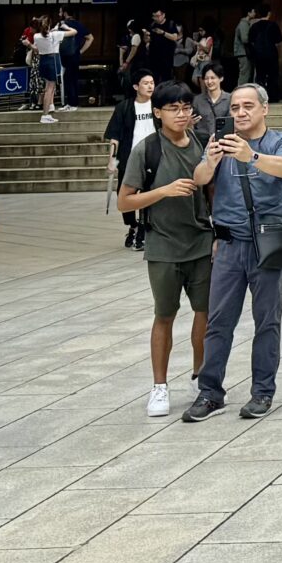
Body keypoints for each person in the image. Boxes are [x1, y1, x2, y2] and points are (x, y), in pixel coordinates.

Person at [186, 85, 282, 421]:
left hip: (270, 239)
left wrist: (250, 155)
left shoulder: (281, 141)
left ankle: (262, 392)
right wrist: (211, 160)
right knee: (218, 321)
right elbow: (198, 178)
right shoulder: (220, 142)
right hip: (229, 243)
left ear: (265, 109)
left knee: (267, 320)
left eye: (248, 106)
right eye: (235, 107)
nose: (240, 113)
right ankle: (210, 393)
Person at [116, 82, 214, 419]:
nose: (182, 113)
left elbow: (210, 190)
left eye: (186, 107)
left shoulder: (201, 143)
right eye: (173, 108)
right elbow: (124, 201)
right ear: (157, 112)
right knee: (165, 315)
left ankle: (201, 377)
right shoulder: (147, 150)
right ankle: (159, 387)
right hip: (163, 245)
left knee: (205, 313)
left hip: (201, 241)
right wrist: (164, 191)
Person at [106, 69, 160, 250]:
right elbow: (115, 136)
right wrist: (112, 159)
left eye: (152, 82)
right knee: (126, 195)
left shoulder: (158, 106)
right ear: (136, 86)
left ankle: (144, 229)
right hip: (130, 157)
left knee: (149, 194)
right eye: (146, 83)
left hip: (153, 156)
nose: (150, 86)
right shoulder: (125, 107)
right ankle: (133, 226)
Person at [246, 4, 282, 99]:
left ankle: (261, 97)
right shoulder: (273, 25)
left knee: (260, 76)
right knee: (272, 75)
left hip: (258, 54)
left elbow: (250, 41)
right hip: (271, 53)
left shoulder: (254, 26)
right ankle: (273, 96)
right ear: (269, 13)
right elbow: (279, 39)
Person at [192, 64, 231, 143]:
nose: (209, 82)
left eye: (213, 78)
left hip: (223, 141)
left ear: (221, 78)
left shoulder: (230, 99)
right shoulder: (197, 100)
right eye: (206, 78)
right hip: (201, 141)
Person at [233, 2, 258, 92]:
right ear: (248, 13)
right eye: (253, 11)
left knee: (246, 73)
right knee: (244, 73)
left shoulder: (245, 23)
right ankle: (239, 92)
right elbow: (245, 39)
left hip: (243, 52)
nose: (254, 13)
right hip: (243, 52)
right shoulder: (244, 24)